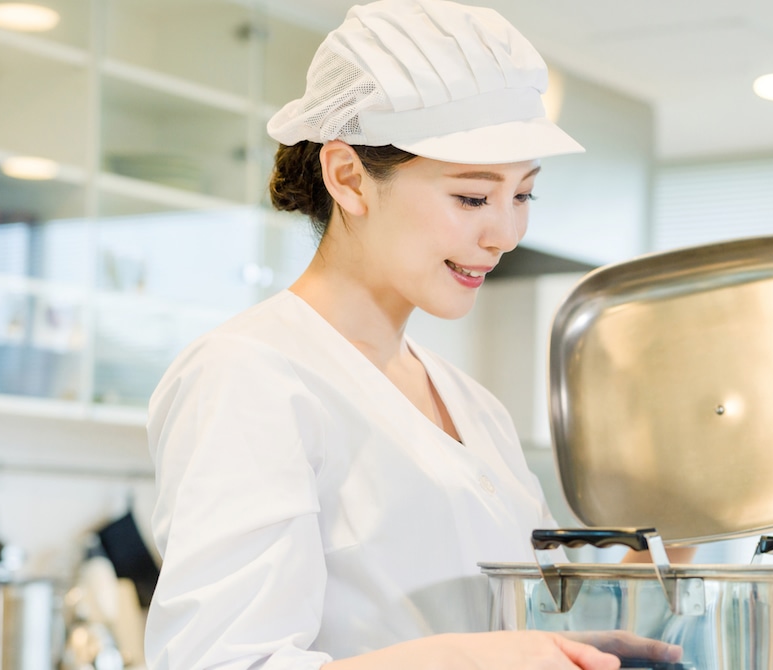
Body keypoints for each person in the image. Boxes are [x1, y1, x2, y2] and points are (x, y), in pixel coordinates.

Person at [142, 1, 686, 668]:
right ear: (348, 178)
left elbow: (539, 625)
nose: (506, 234)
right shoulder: (249, 376)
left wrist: (688, 507)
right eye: (472, 198)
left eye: (523, 196)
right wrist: (469, 659)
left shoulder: (474, 407)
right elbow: (220, 661)